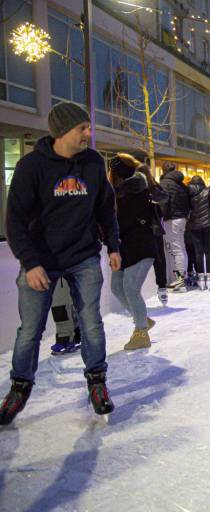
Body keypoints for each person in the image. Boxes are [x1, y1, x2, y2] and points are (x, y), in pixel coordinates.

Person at [1, 102, 119, 425]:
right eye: (82, 128)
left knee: (91, 322)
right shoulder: (31, 167)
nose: (88, 133)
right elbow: (15, 221)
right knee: (30, 330)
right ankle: (19, 388)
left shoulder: (92, 163)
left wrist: (113, 245)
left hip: (83, 256)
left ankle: (97, 382)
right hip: (41, 260)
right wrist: (31, 263)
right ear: (63, 131)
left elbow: (106, 208)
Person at [108, 154, 157, 350]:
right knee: (117, 287)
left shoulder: (135, 191)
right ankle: (142, 318)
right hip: (124, 248)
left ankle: (141, 333)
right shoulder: (120, 192)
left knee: (130, 289)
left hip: (140, 247)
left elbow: (124, 222)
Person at [134, 164, 170, 306]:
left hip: (142, 229)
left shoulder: (149, 187)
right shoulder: (153, 187)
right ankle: (162, 288)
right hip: (152, 228)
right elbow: (164, 198)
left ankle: (158, 289)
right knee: (158, 259)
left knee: (145, 260)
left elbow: (164, 197)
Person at [159, 162, 190, 291]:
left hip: (172, 219)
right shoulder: (181, 184)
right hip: (182, 218)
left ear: (163, 170)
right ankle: (182, 277)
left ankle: (180, 280)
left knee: (176, 249)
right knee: (181, 248)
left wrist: (160, 216)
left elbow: (163, 203)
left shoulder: (165, 183)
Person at [187, 176, 210, 290]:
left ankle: (201, 279)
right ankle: (209, 279)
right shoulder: (209, 191)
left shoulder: (188, 192)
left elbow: (185, 207)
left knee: (198, 252)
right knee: (208, 251)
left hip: (194, 224)